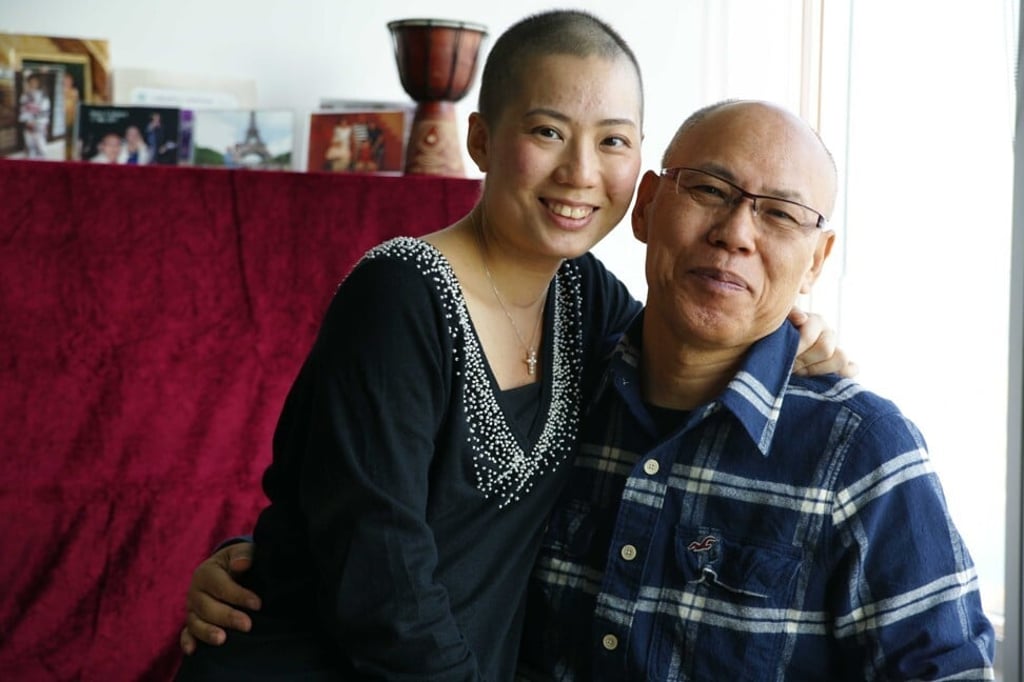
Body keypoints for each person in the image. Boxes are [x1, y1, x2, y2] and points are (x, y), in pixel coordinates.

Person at [174, 12, 852, 681]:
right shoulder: (397, 298)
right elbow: (380, 579)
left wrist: (793, 330)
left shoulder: (584, 298)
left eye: (613, 141)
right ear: (481, 139)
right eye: (547, 131)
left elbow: (690, 333)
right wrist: (256, 553)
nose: (580, 172)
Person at [515, 100, 995, 679]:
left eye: (781, 214)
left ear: (816, 260)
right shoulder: (554, 395)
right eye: (710, 190)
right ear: (645, 207)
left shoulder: (865, 454)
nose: (735, 234)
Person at [18, 72, 51, 159]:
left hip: (40, 124)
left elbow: (45, 110)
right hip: (29, 124)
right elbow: (23, 109)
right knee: (30, 146)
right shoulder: (25, 96)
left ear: (38, 83)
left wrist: (38, 120)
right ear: (28, 83)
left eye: (35, 81)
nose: (33, 83)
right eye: (31, 82)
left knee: (41, 147)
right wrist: (28, 121)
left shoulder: (43, 95)